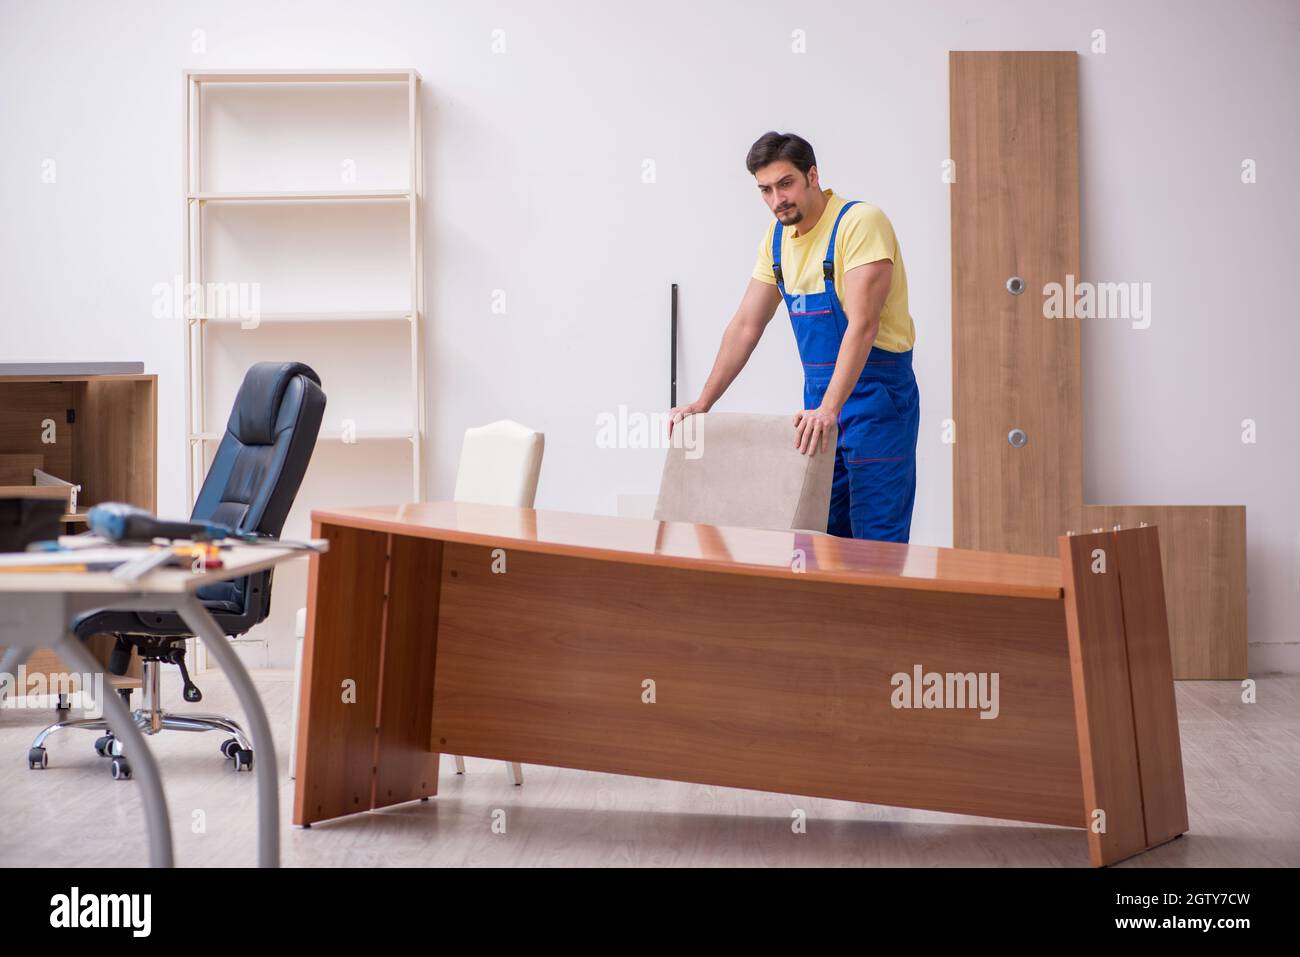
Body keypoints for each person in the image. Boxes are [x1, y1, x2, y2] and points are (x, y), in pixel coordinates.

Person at [670, 131, 920, 542]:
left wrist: (830, 408)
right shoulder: (776, 241)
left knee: (877, 539)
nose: (776, 200)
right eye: (765, 190)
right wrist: (703, 402)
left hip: (878, 400)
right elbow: (746, 325)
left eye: (785, 184)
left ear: (813, 175)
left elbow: (863, 325)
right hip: (818, 405)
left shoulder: (859, 224)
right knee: (821, 535)